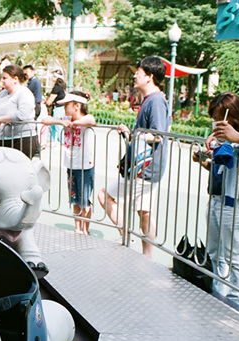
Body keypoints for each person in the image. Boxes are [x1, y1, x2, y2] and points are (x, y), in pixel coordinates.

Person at [98, 56, 171, 258]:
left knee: (106, 196)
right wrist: (132, 134)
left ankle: (128, 239)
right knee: (144, 211)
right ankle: (144, 253)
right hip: (145, 166)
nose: (135, 76)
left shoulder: (155, 101)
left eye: (138, 72)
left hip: (144, 166)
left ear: (149, 77)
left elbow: (159, 135)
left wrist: (134, 135)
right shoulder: (153, 99)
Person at [192, 92, 239, 306]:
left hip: (234, 202)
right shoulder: (219, 138)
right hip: (216, 198)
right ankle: (215, 291)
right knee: (214, 250)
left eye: (221, 116)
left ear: (233, 116)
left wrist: (232, 151)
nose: (217, 121)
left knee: (233, 253)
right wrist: (204, 158)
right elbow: (215, 167)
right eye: (215, 116)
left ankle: (235, 297)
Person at [42, 92, 96, 235]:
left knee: (85, 201)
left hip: (85, 166)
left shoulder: (84, 119)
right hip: (71, 166)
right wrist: (62, 122)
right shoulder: (66, 118)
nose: (64, 107)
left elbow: (91, 120)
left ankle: (86, 230)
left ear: (77, 106)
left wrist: (75, 123)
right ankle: (77, 228)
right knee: (75, 200)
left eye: (67, 105)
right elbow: (45, 120)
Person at [0, 65, 38, 158]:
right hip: (4, 139)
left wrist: (1, 119)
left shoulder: (25, 93)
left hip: (22, 140)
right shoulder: (2, 94)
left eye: (5, 78)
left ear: (15, 79)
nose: (2, 80)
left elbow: (22, 115)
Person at [45, 70, 67, 144]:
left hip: (58, 108)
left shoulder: (56, 87)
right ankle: (54, 139)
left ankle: (61, 141)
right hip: (61, 107)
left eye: (54, 76)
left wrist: (46, 103)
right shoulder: (62, 86)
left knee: (57, 125)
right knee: (53, 125)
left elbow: (50, 100)